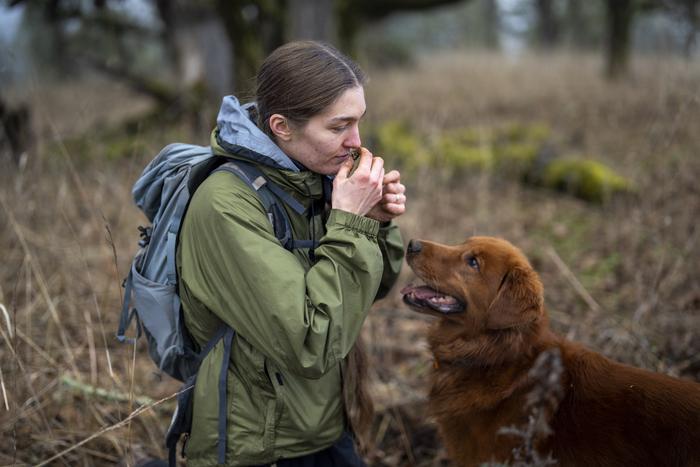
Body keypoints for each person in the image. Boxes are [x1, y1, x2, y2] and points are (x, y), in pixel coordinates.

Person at [175, 41, 406, 466]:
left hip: (326, 428)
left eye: (359, 123)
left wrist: (375, 222)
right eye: (339, 127)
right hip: (260, 447)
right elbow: (310, 344)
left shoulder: (314, 178)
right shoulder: (226, 206)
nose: (356, 143)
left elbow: (372, 291)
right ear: (281, 126)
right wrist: (350, 225)